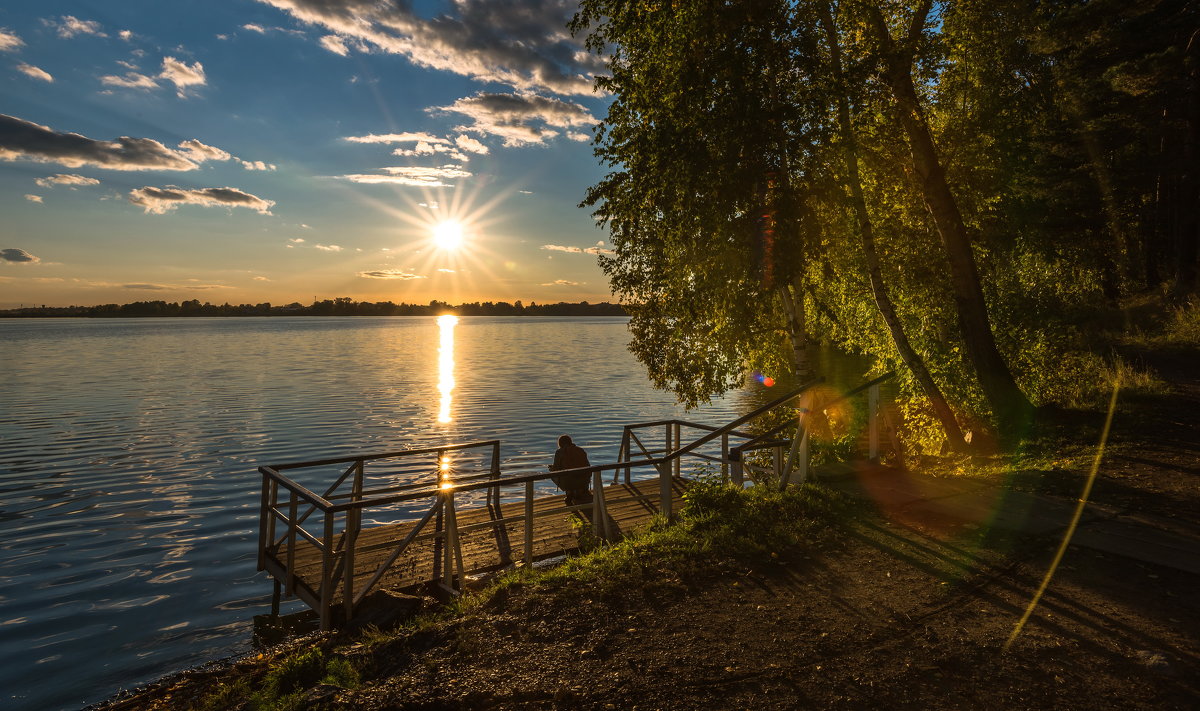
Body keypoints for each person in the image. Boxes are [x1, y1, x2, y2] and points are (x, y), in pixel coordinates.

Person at [550, 434, 593, 508]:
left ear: (560, 444)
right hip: (584, 480)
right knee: (575, 473)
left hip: (569, 482)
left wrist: (551, 468)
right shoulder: (580, 450)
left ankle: (569, 493)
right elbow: (587, 465)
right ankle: (580, 491)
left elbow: (556, 469)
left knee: (553, 473)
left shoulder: (559, 452)